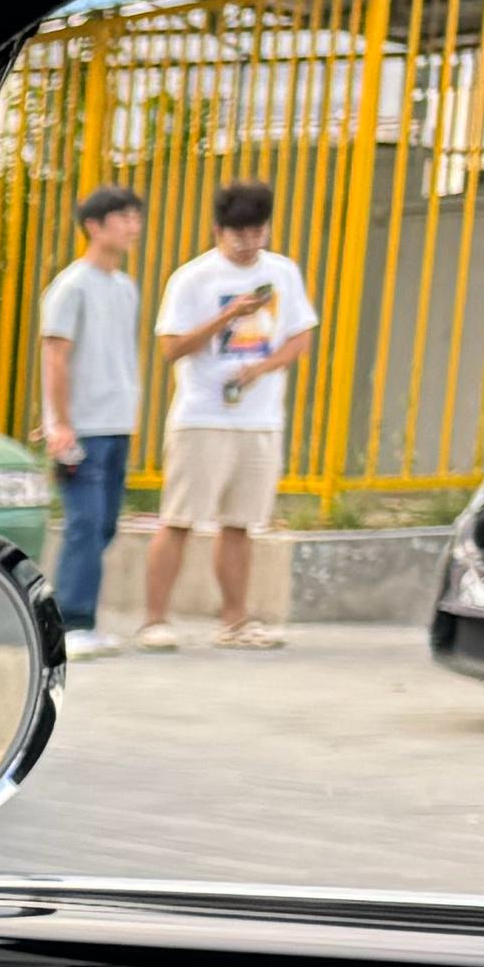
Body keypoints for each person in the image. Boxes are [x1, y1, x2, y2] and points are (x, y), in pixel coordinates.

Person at [143, 174, 314, 649]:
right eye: (239, 233)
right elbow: (172, 348)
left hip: (260, 417)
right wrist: (227, 315)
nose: (249, 242)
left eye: (258, 231)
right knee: (179, 519)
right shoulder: (193, 278)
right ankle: (154, 620)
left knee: (240, 523)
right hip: (202, 415)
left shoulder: (282, 272)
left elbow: (300, 336)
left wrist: (262, 369)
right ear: (219, 230)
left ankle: (234, 622)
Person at [32, 183, 143, 636]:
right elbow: (55, 356)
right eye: (123, 218)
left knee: (105, 525)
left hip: (116, 423)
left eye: (136, 217)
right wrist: (60, 424)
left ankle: (73, 615)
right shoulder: (71, 286)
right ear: (94, 226)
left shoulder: (125, 287)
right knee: (85, 523)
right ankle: (73, 623)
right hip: (80, 428)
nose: (133, 227)